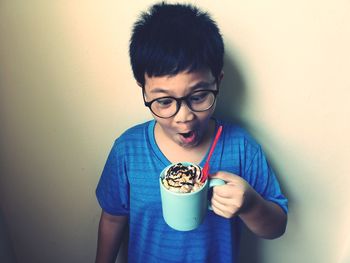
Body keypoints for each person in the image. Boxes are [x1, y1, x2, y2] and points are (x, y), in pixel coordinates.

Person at [95, 2, 288, 263]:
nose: (184, 117)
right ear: (143, 89)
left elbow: (277, 226)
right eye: (164, 102)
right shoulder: (127, 151)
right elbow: (112, 218)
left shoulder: (241, 148)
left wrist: (251, 204)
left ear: (217, 81)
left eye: (198, 97)